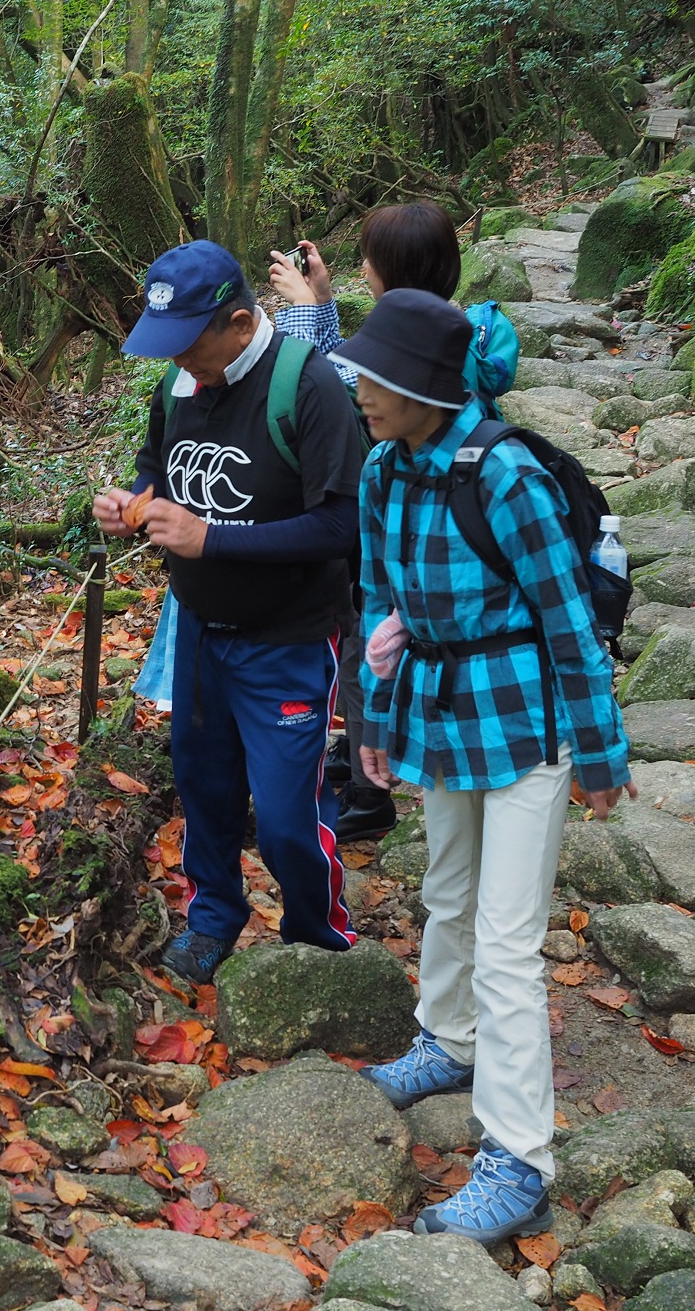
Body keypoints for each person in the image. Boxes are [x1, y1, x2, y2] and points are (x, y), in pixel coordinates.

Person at [332, 290, 633, 1243]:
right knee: (446, 889)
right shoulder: (387, 467)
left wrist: (600, 753)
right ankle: (448, 1038)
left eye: (375, 379)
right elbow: (378, 603)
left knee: (508, 945)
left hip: (524, 725)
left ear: (426, 385)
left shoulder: (506, 477)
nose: (361, 393)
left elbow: (570, 624)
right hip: (439, 713)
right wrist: (372, 720)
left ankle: (520, 1158)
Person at [95, 240, 367, 986]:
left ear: (242, 325)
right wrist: (135, 501)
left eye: (190, 346)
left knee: (284, 815)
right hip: (198, 631)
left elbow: (342, 526)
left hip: (286, 638)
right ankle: (213, 919)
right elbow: (157, 463)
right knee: (204, 787)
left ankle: (317, 937)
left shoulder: (308, 387)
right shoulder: (180, 387)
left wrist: (212, 538)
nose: (179, 364)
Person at [262, 202, 517, 844]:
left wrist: (302, 311)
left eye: (372, 258)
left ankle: (370, 790)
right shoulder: (453, 331)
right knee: (371, 635)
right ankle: (369, 753)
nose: (364, 267)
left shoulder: (420, 351)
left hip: (401, 516)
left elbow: (319, 386)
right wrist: (322, 300)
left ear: (393, 271)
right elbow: (352, 376)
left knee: (367, 638)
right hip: (411, 512)